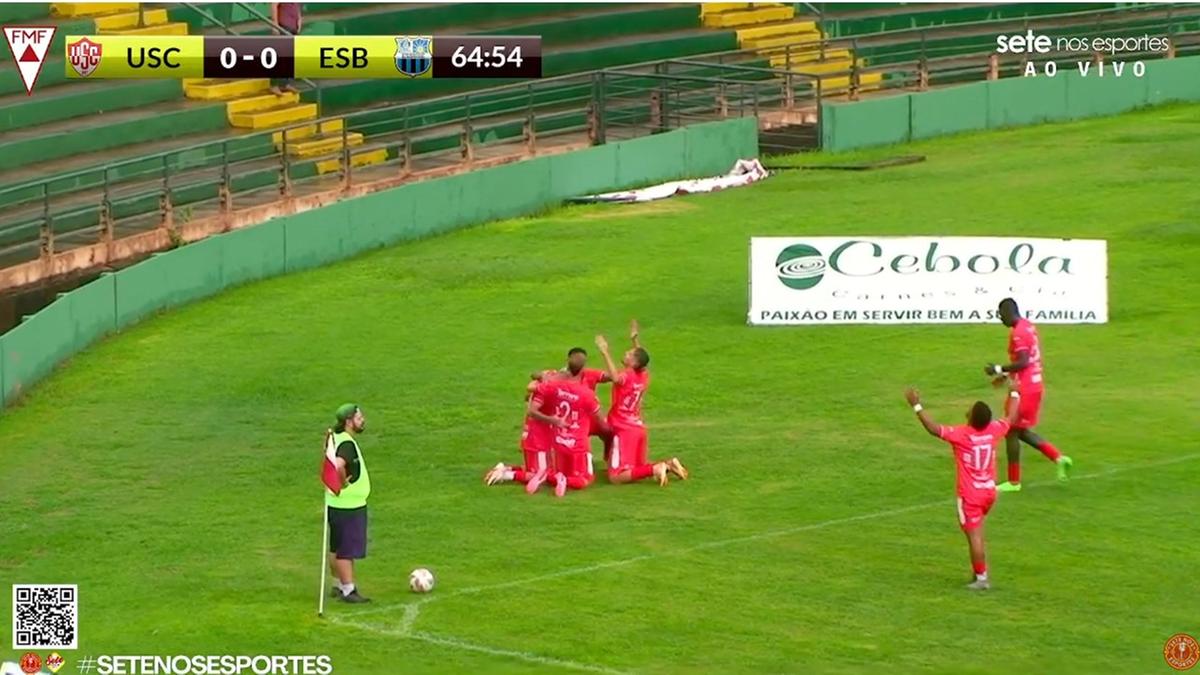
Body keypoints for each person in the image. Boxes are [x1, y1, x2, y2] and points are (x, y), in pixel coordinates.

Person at [905, 386, 1020, 590]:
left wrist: (916, 405)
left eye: (969, 410)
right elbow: (1010, 417)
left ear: (972, 418)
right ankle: (979, 573)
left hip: (970, 496)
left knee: (975, 537)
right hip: (989, 492)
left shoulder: (961, 435)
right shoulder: (994, 430)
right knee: (978, 534)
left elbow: (933, 429)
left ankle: (981, 579)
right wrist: (1014, 393)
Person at [986, 298, 1073, 492]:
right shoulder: (1028, 326)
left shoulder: (1018, 333)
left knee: (1010, 430)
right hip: (1034, 384)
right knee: (1020, 431)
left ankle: (1013, 482)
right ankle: (1059, 458)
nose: (1000, 319)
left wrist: (998, 369)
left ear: (1009, 312)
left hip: (1023, 389)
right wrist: (1006, 375)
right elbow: (1027, 360)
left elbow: (1024, 361)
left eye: (1001, 314)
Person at [595, 321, 687, 487]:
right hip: (638, 427)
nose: (626, 354)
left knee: (616, 477)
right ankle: (668, 464)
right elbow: (643, 360)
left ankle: (656, 469)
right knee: (636, 469)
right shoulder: (643, 376)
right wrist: (635, 340)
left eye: (629, 354)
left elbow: (615, 378)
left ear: (633, 363)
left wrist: (604, 352)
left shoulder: (627, 376)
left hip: (623, 428)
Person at [484, 375, 567, 494]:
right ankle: (507, 475)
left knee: (532, 468)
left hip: (530, 438)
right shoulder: (545, 396)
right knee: (540, 473)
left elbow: (532, 385)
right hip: (539, 441)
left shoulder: (537, 394)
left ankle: (505, 468)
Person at [532, 347, 614, 461]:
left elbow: (613, 377)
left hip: (588, 417)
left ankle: (607, 457)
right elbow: (535, 375)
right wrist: (543, 376)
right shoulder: (559, 375)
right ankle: (581, 460)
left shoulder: (589, 374)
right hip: (571, 419)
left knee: (608, 431)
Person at [325, 404, 371, 603]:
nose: (363, 420)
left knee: (336, 548)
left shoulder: (337, 438)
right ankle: (348, 590)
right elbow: (338, 465)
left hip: (336, 504)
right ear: (349, 421)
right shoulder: (346, 444)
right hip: (349, 505)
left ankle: (337, 585)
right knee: (346, 550)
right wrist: (341, 482)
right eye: (359, 417)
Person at [270, 3, 302, 95]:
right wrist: (275, 24)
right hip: (283, 26)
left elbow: (297, 6)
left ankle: (286, 83)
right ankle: (274, 85)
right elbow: (274, 5)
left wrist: (299, 20)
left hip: (293, 27)